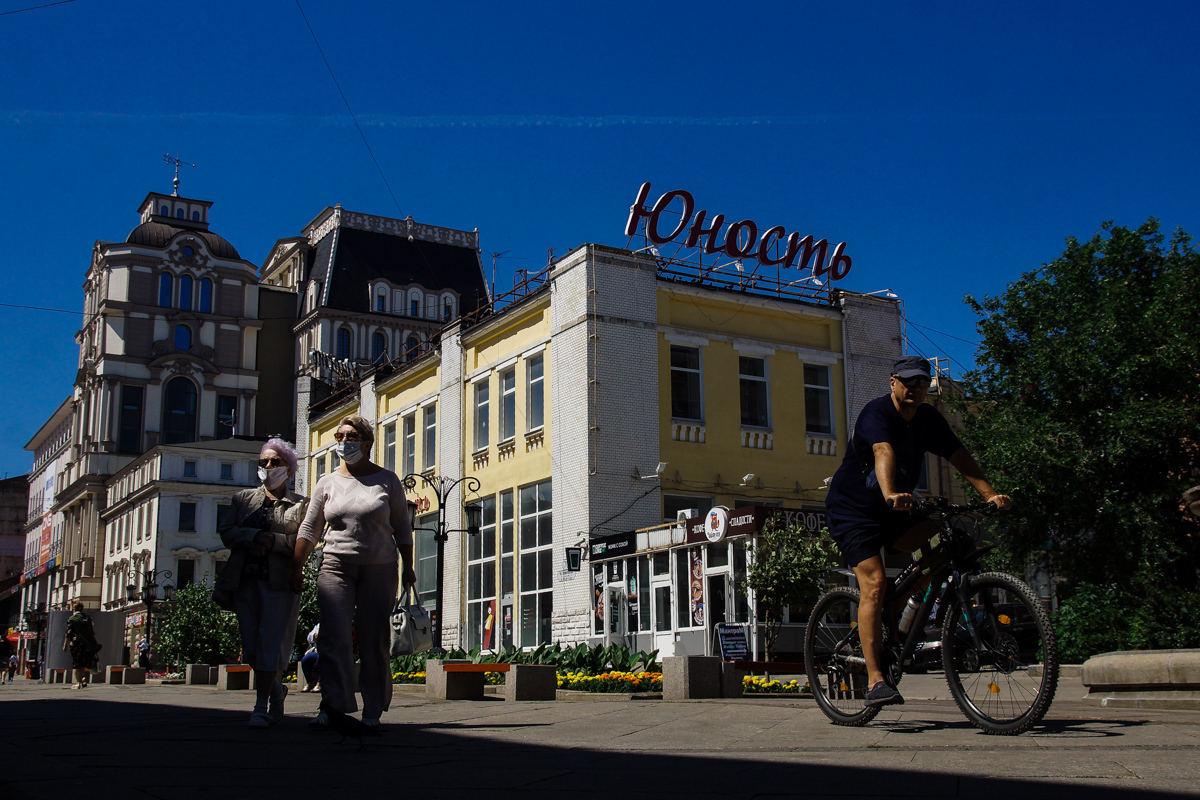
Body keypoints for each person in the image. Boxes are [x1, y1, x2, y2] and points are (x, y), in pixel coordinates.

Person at [825, 355, 1010, 708]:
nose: (916, 389)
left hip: (900, 507)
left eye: (923, 383)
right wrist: (891, 492)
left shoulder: (927, 418)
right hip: (855, 512)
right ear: (893, 382)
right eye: (909, 382)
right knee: (875, 583)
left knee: (944, 547)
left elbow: (958, 454)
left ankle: (898, 616)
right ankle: (877, 681)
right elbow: (883, 451)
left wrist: (990, 495)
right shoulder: (876, 413)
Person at [293, 414, 415, 730]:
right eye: (340, 437)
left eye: (351, 436)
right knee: (333, 637)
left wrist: (409, 568)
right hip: (335, 566)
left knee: (373, 638)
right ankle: (333, 704)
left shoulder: (387, 480)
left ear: (367, 443)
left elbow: (402, 526)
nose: (344, 442)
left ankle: (372, 708)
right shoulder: (327, 482)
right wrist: (297, 565)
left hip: (380, 567)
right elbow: (310, 527)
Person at [216, 438, 309, 729]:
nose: (268, 466)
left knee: (271, 642)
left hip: (280, 582)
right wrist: (253, 537)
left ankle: (259, 706)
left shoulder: (300, 505)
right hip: (244, 579)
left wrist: (274, 542)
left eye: (275, 462)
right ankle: (276, 688)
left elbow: (304, 542)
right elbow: (226, 531)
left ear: (289, 468)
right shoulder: (242, 499)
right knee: (253, 647)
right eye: (264, 462)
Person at [63, 600, 102, 688]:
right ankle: (83, 679)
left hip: (76, 643)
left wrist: (65, 645)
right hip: (87, 644)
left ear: (73, 609)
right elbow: (91, 632)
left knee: (76, 663)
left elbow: (68, 632)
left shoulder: (72, 619)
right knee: (84, 662)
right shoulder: (87, 618)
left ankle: (78, 683)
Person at [299, 623, 320, 693]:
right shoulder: (319, 625)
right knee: (305, 660)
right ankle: (310, 681)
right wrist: (314, 636)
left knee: (322, 660)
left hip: (327, 651)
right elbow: (309, 637)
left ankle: (319, 683)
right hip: (316, 650)